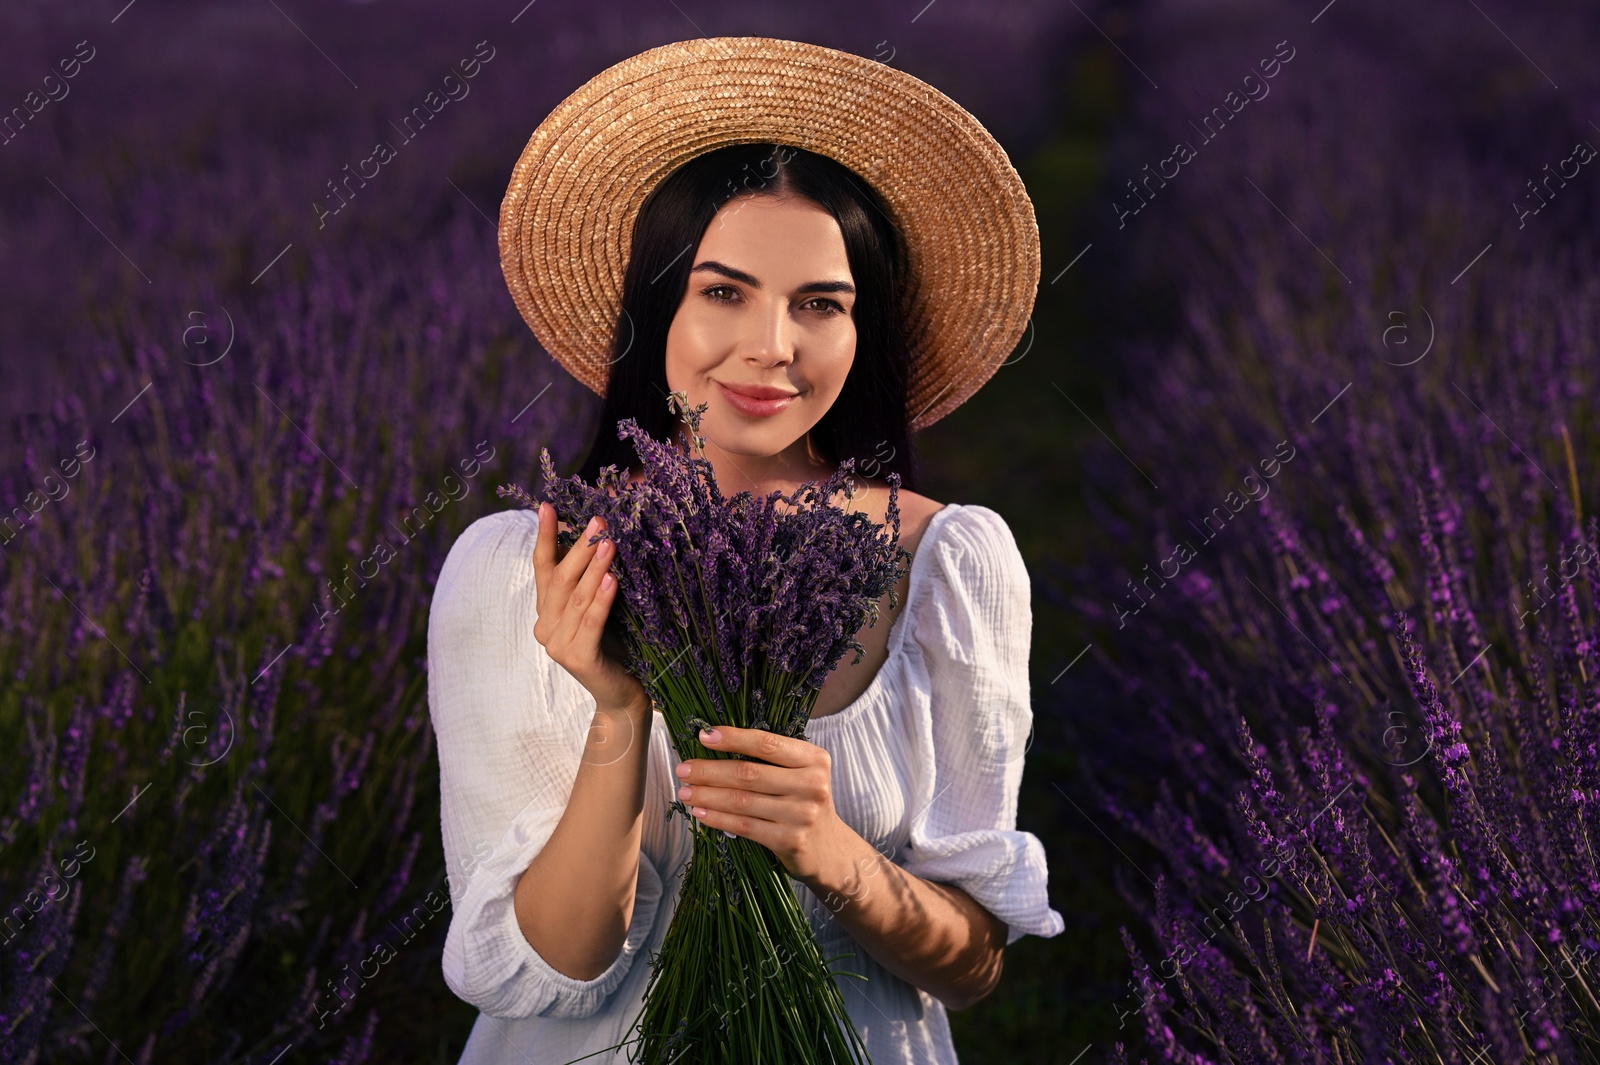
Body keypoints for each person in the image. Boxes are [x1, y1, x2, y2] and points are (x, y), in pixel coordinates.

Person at [427, 36, 1065, 1064]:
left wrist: (834, 856)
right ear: (656, 308)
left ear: (863, 331)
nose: (773, 345)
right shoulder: (518, 571)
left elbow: (973, 963)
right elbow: (532, 977)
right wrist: (618, 717)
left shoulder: (946, 562)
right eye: (722, 292)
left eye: (821, 303)